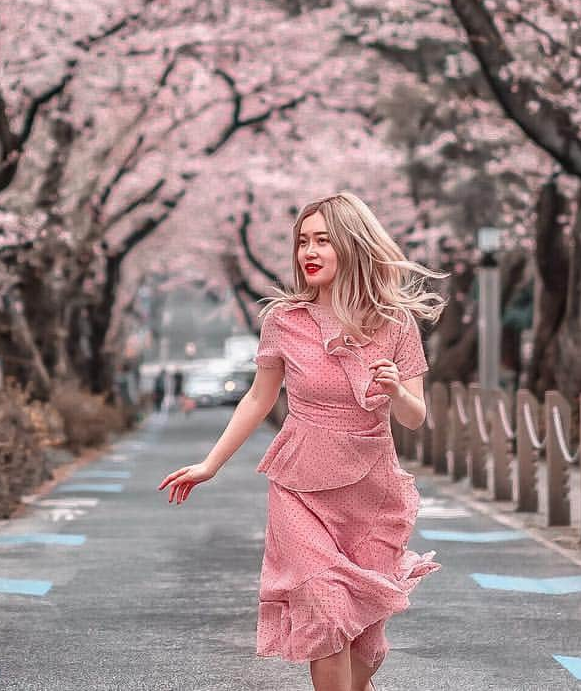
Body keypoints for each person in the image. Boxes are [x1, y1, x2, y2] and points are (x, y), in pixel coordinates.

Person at [157, 192, 448, 691]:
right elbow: (257, 398)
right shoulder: (284, 320)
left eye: (322, 241)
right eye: (302, 242)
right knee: (325, 616)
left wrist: (396, 388)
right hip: (299, 485)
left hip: (371, 494)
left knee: (363, 647)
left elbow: (415, 416)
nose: (307, 252)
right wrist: (211, 464)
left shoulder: (395, 322)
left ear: (353, 246)